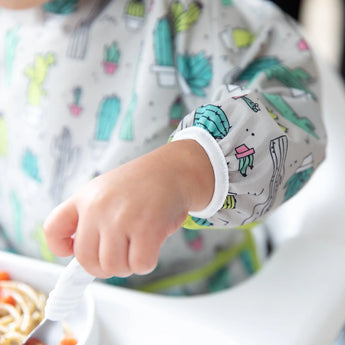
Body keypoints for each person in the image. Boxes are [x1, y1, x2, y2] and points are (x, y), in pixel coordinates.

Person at [0, 0, 326, 295]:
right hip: (28, 285)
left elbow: (293, 114)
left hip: (181, 298)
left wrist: (184, 172)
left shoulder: (188, 12)